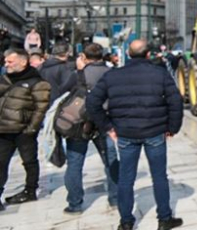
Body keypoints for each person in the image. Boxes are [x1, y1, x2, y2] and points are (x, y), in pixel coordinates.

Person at [87, 39, 183, 230]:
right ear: (148, 54)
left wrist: (107, 126)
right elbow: (176, 102)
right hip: (154, 131)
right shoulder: (160, 74)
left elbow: (92, 102)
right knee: (159, 176)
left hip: (126, 133)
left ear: (128, 54)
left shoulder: (112, 75)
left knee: (126, 178)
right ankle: (164, 219)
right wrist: (172, 128)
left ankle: (126, 223)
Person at [62, 44, 119, 214]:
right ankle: (115, 198)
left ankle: (75, 203)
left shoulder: (78, 75)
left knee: (75, 163)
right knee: (111, 160)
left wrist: (80, 71)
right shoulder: (112, 73)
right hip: (105, 121)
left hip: (79, 123)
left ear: (84, 57)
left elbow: (63, 91)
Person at [0, 49, 51, 208]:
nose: (6, 64)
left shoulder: (37, 82)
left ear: (23, 62)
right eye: (5, 61)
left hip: (24, 131)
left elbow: (40, 108)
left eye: (10, 61)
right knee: (1, 162)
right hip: (4, 129)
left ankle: (30, 190)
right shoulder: (4, 79)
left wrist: (31, 129)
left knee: (29, 161)